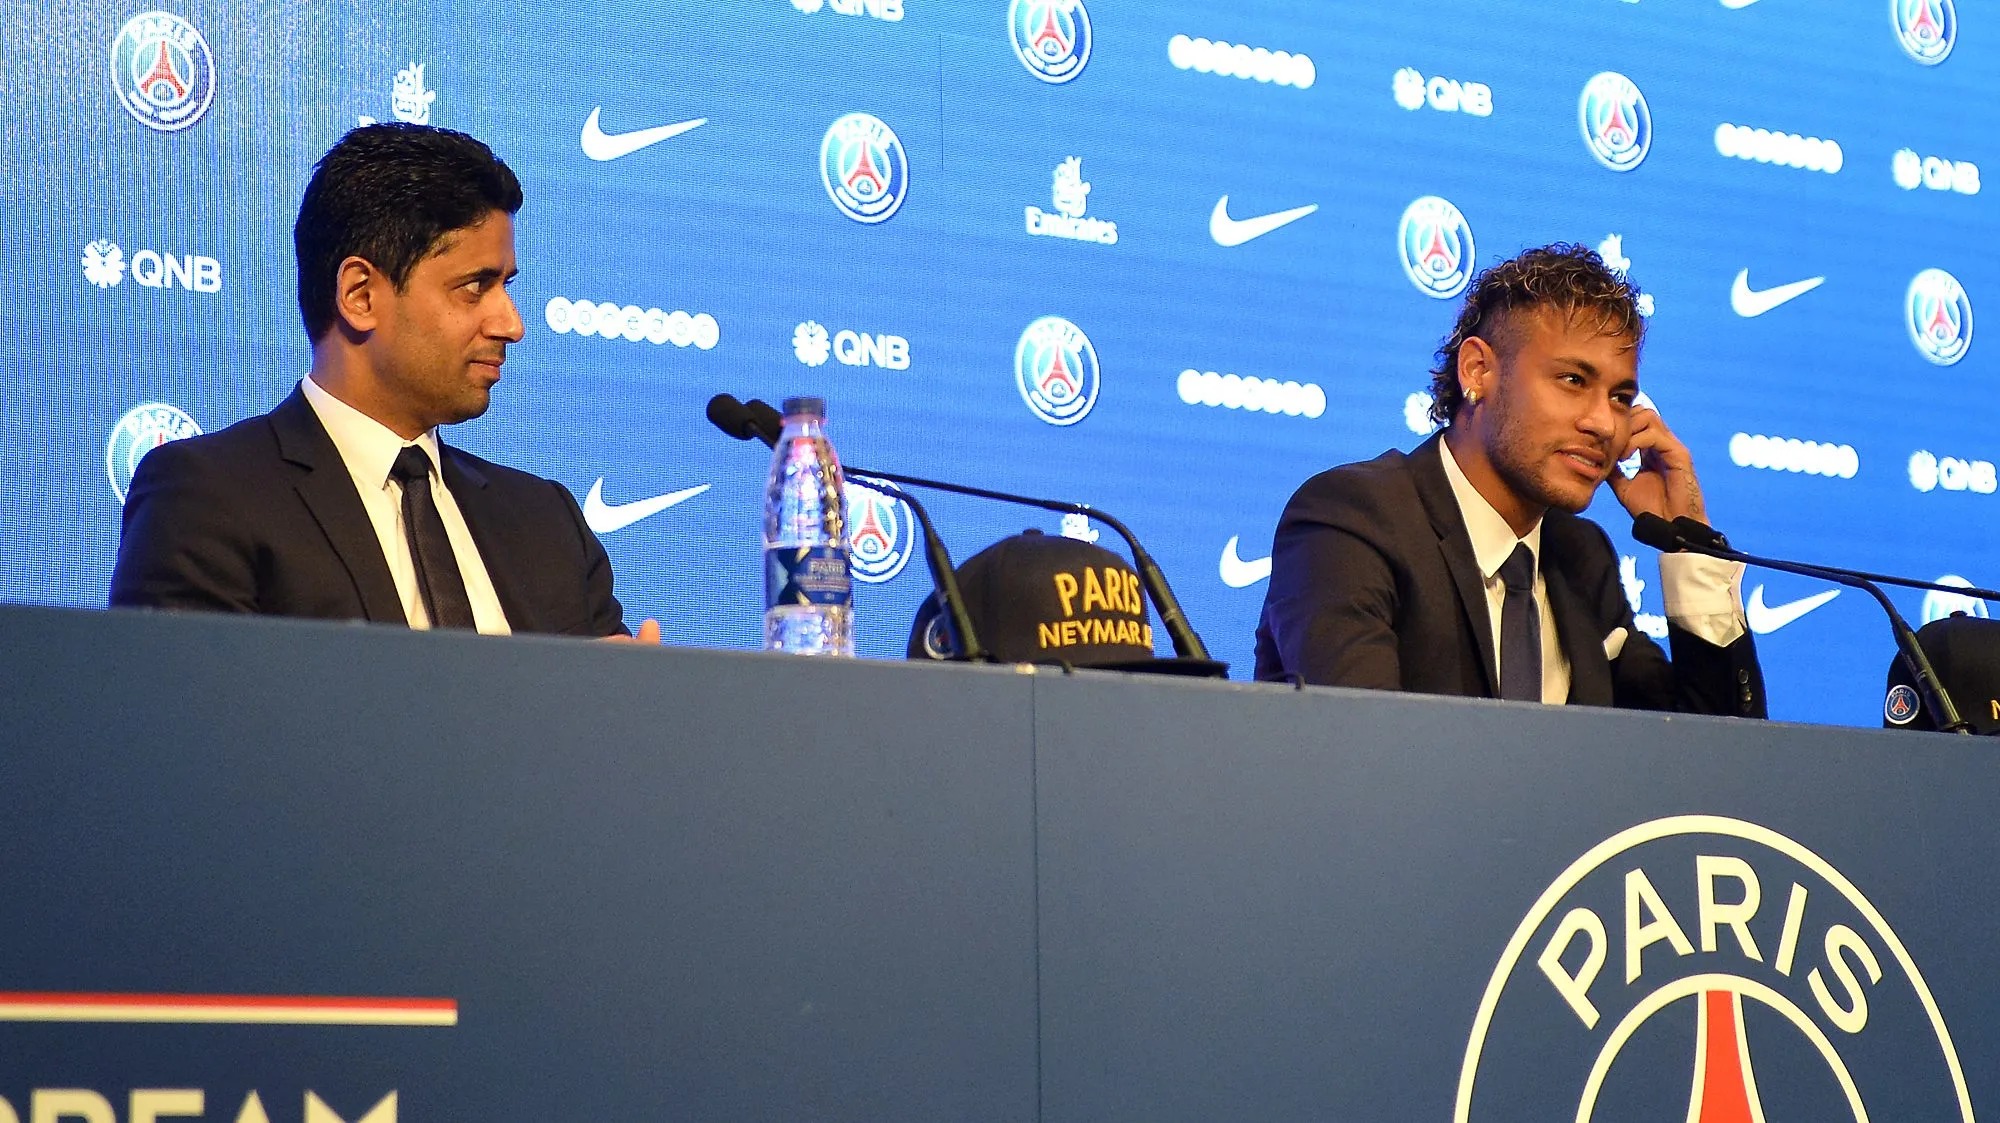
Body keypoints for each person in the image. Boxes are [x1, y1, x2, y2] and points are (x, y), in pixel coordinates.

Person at [111, 123, 659, 643]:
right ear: (360, 296)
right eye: (474, 287)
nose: (510, 324)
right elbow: (183, 727)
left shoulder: (547, 523)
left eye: (505, 286)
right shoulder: (211, 496)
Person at [1253, 243, 1762, 714]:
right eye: (1573, 380)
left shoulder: (1583, 559)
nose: (1605, 424)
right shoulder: (1354, 518)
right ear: (1477, 371)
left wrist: (1690, 542)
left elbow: (1717, 764)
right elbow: (1365, 749)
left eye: (1620, 398)